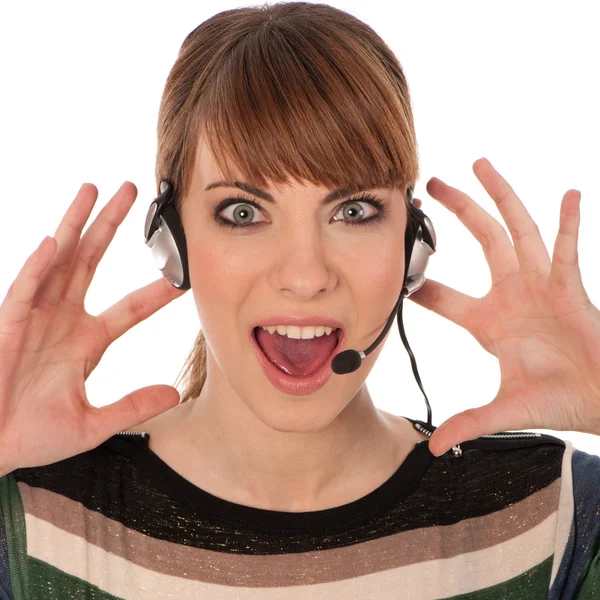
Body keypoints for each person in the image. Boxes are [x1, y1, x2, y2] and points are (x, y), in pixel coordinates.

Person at [0, 2, 599, 598]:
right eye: (243, 212)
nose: (306, 275)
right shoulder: (35, 515)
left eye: (354, 210)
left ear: (411, 244)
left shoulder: (553, 516)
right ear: (173, 241)